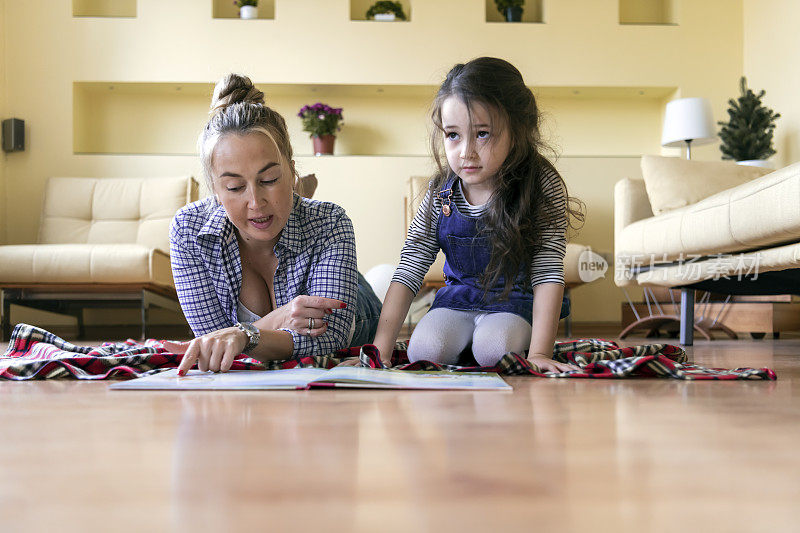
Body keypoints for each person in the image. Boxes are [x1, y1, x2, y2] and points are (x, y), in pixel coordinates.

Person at [372, 57, 583, 372]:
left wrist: (539, 354)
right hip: (458, 301)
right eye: (453, 135)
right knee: (425, 350)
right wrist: (379, 351)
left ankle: (484, 344)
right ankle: (466, 342)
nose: (466, 152)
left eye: (483, 133)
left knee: (494, 349)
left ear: (518, 129)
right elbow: (409, 266)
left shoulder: (540, 184)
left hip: (515, 303)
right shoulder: (440, 191)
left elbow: (548, 270)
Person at [165, 73, 381, 374]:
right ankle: (290, 196)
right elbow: (216, 346)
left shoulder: (332, 221)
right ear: (214, 188)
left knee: (378, 285)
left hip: (363, 310)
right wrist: (278, 319)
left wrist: (242, 335)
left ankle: (297, 199)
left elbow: (331, 338)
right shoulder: (189, 230)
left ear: (291, 170)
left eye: (269, 180)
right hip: (302, 262)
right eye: (235, 187)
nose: (255, 202)